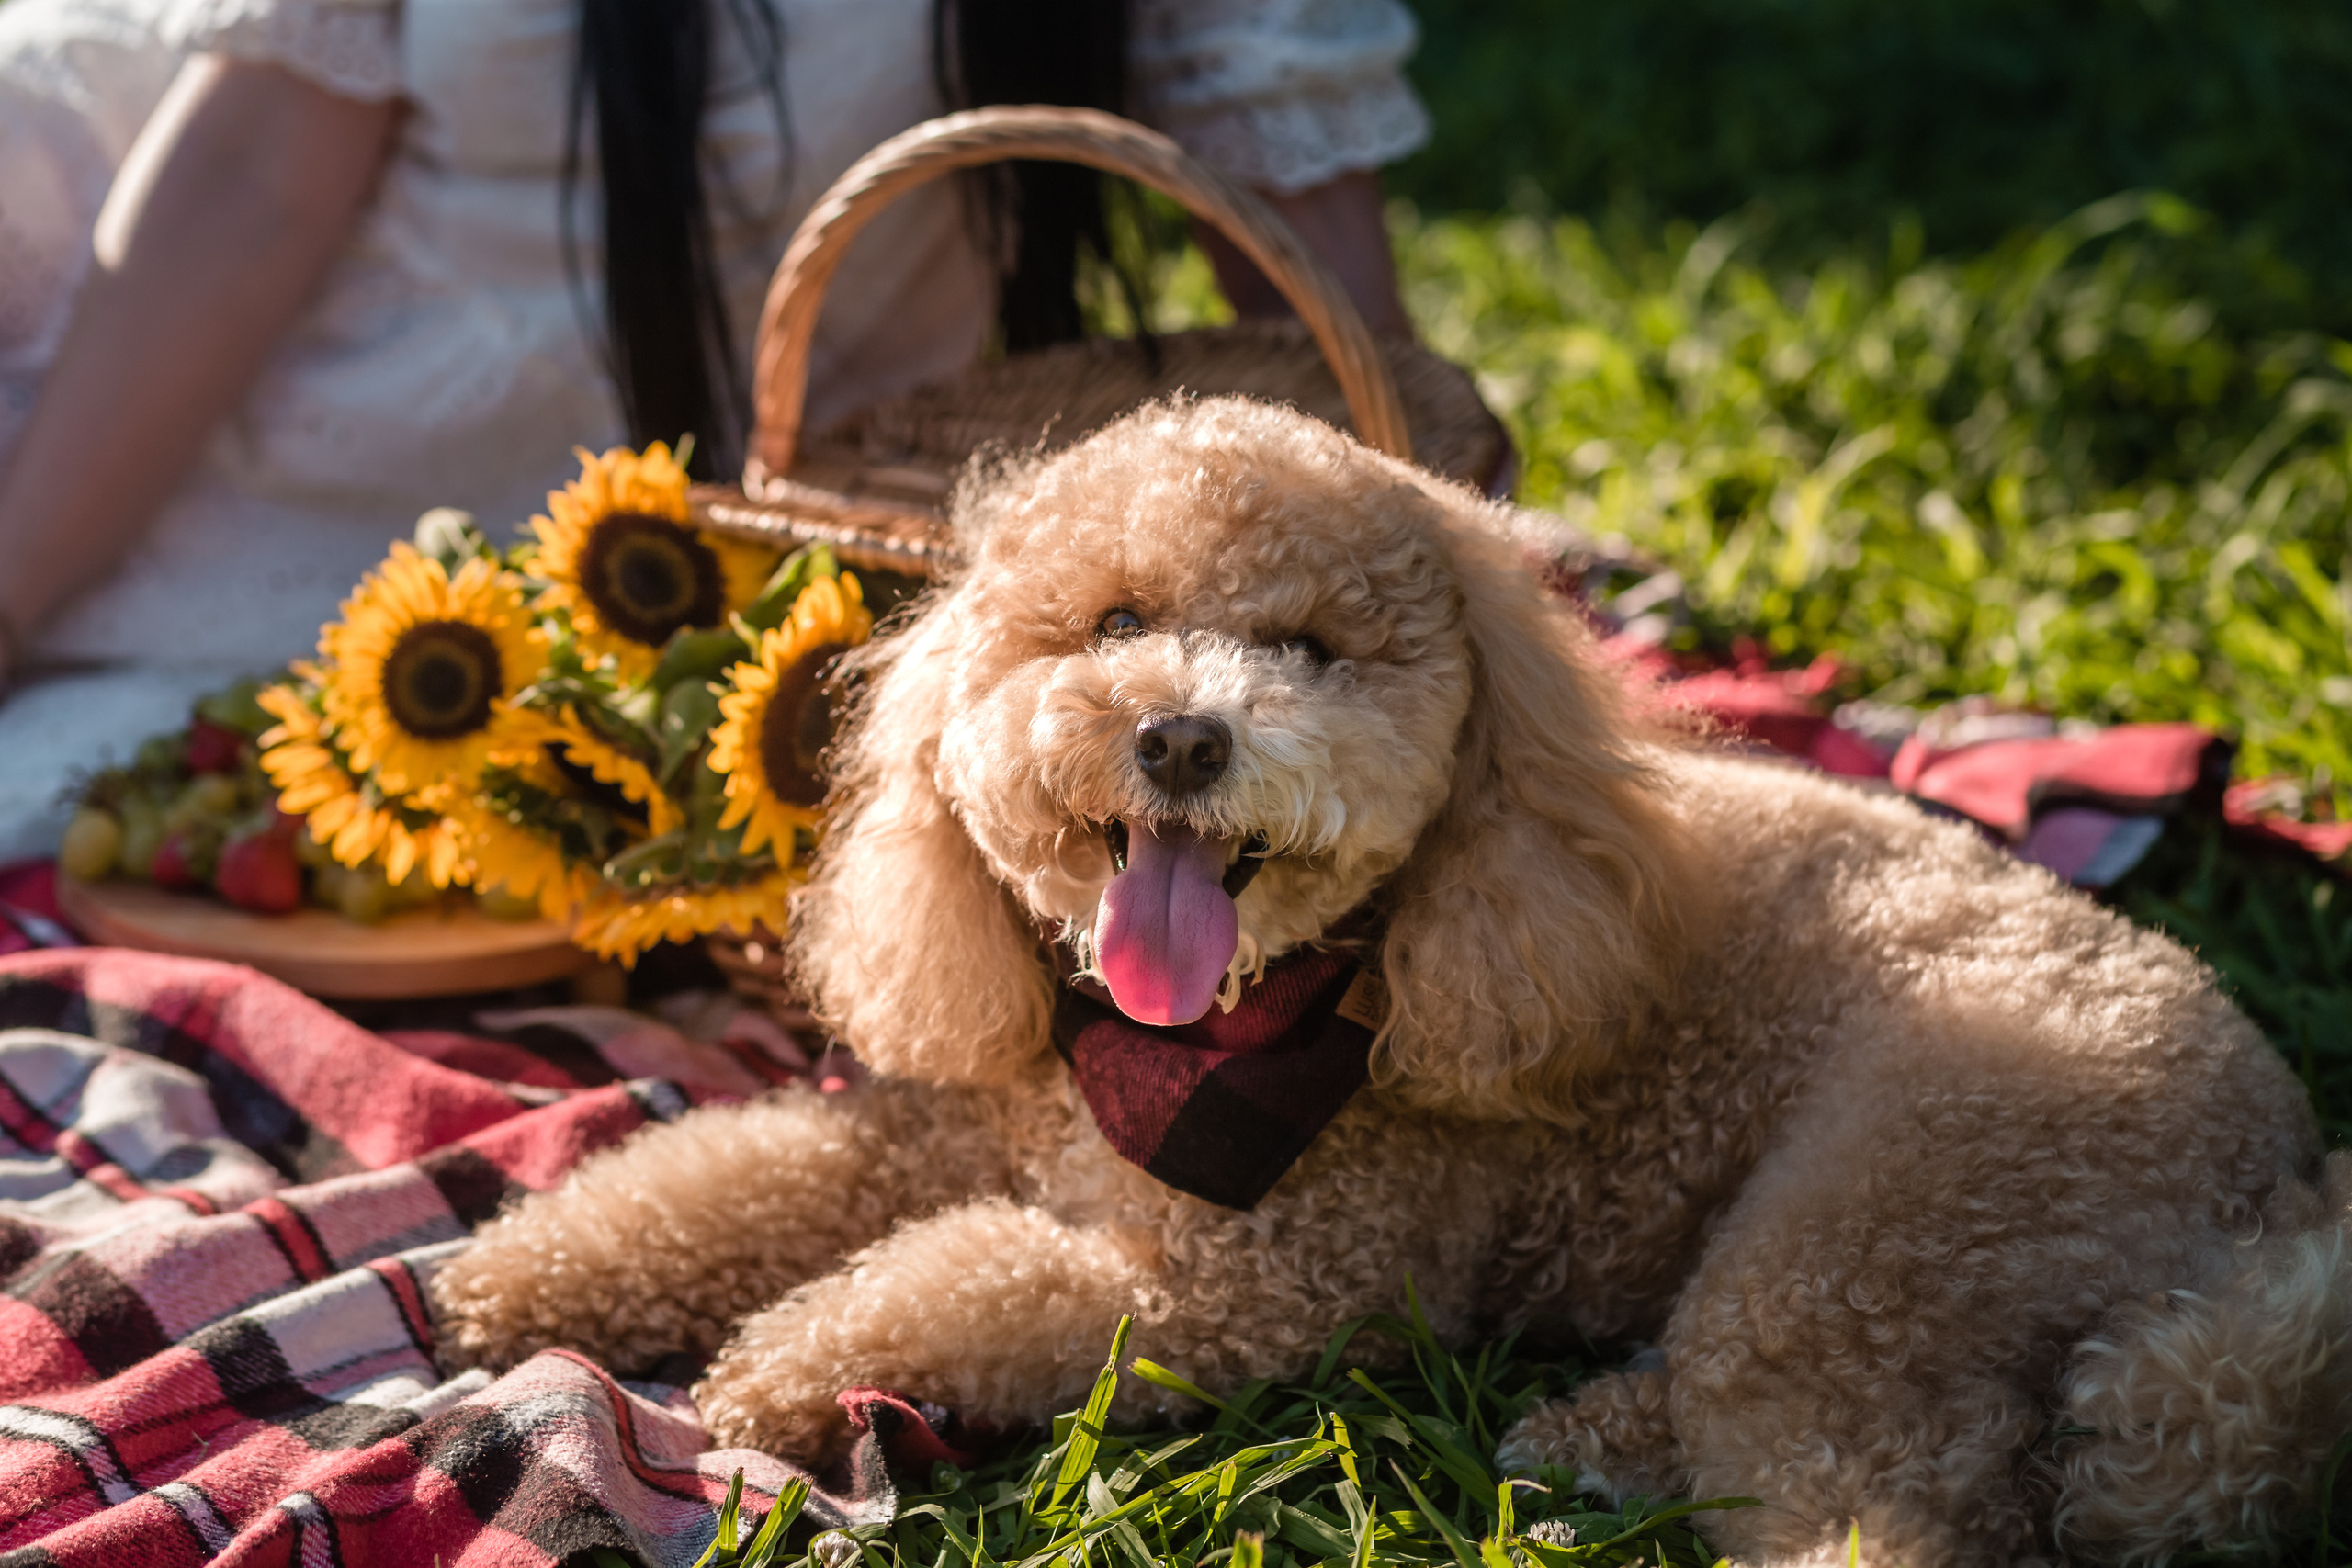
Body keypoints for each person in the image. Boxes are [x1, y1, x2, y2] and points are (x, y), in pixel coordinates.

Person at [0, 0, 1430, 860]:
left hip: (641, 557)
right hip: (109, 384)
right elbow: (251, 178)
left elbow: (1277, 150)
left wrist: (1414, 564)